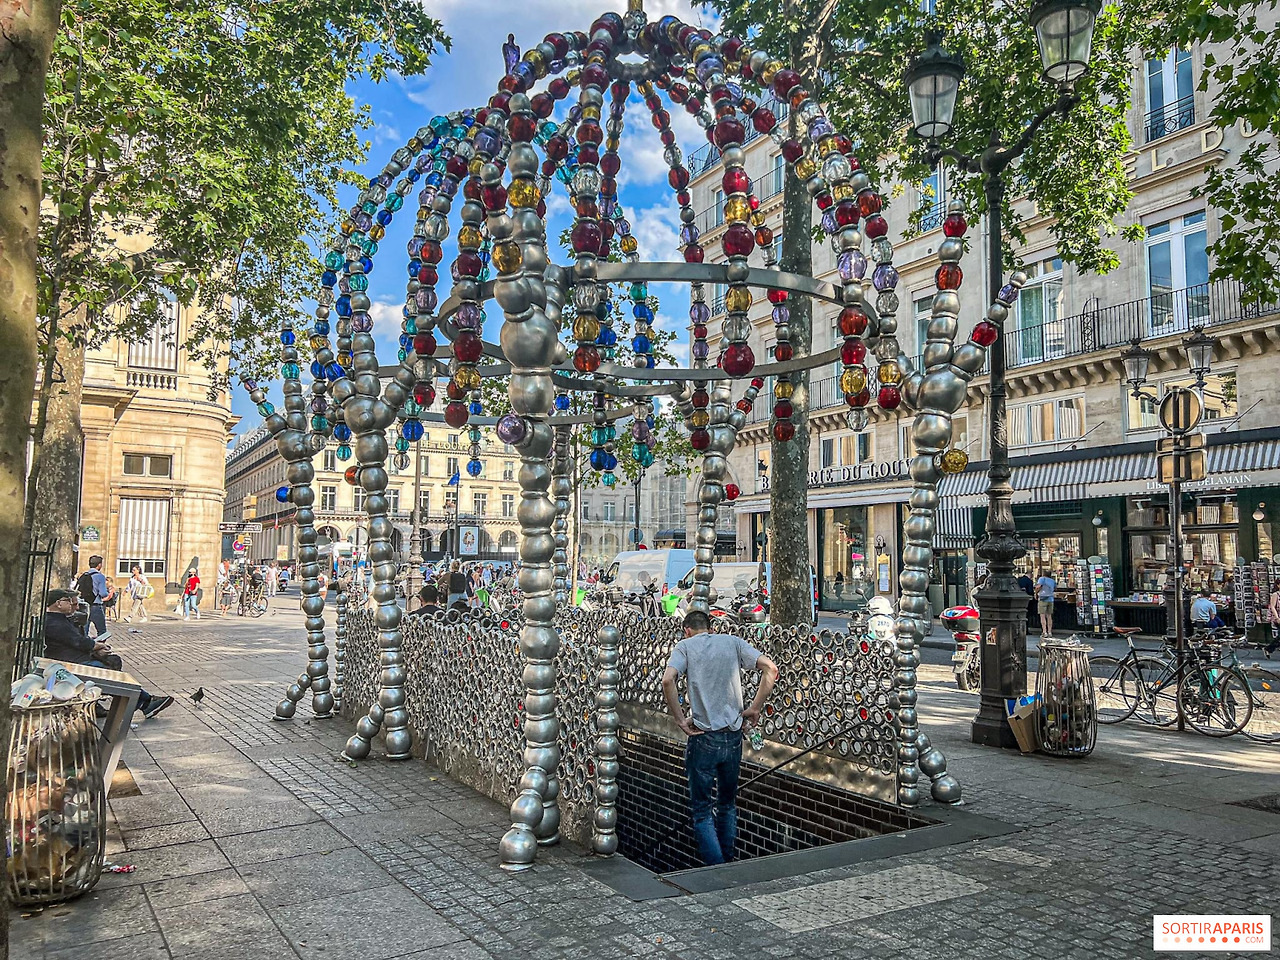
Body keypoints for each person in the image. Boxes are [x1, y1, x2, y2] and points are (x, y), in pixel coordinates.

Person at [661, 610, 779, 866]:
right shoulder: (732, 642)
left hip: (703, 737)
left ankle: (716, 870)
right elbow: (770, 668)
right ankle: (729, 864)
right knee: (727, 804)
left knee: (702, 811)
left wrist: (681, 719)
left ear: (687, 630)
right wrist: (755, 707)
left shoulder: (684, 647)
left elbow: (668, 680)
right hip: (733, 736)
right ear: (710, 627)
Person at [43, 589, 174, 718]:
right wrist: (97, 645)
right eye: (68, 601)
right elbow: (79, 642)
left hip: (75, 659)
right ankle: (145, 702)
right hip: (72, 664)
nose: (71, 604)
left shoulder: (60, 620)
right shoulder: (55, 622)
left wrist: (95, 645)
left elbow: (78, 641)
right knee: (111, 674)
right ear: (58, 603)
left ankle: (144, 702)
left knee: (112, 665)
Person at [75, 555, 114, 638]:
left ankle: (84, 648)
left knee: (84, 631)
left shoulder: (84, 575)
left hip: (84, 605)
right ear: (99, 565)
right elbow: (103, 593)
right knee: (102, 631)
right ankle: (99, 647)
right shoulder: (100, 576)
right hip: (96, 605)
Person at [1034, 568, 1056, 639]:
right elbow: (1055, 588)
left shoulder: (1042, 579)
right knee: (1049, 616)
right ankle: (1050, 632)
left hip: (1043, 599)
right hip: (1051, 599)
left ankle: (1044, 632)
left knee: (1042, 616)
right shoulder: (1053, 581)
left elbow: (1038, 586)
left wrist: (1036, 593)